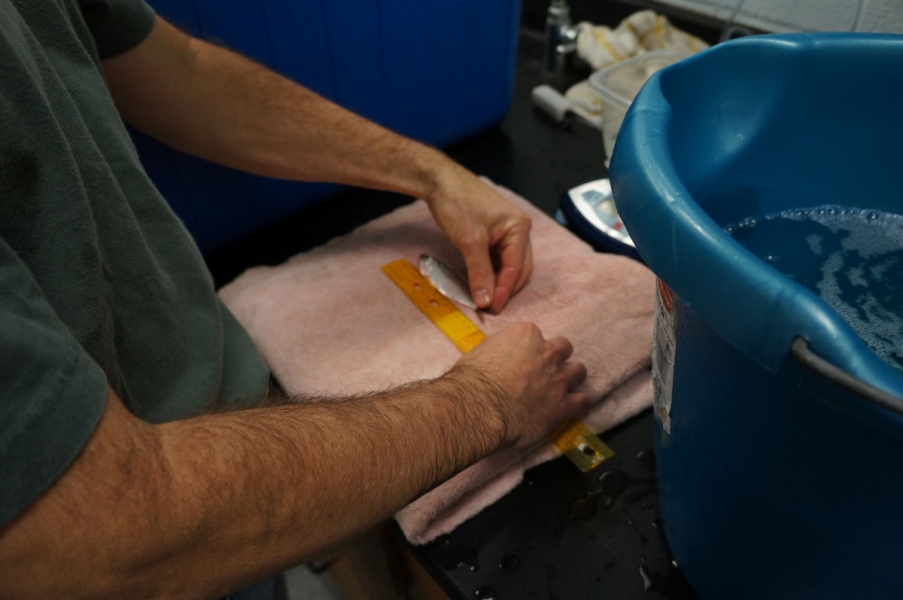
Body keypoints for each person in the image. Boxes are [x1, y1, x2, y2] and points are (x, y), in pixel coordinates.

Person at [0, 1, 591, 597]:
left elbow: (180, 72)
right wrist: (487, 403)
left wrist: (431, 172)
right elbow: (109, 537)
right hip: (181, 543)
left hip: (222, 452)